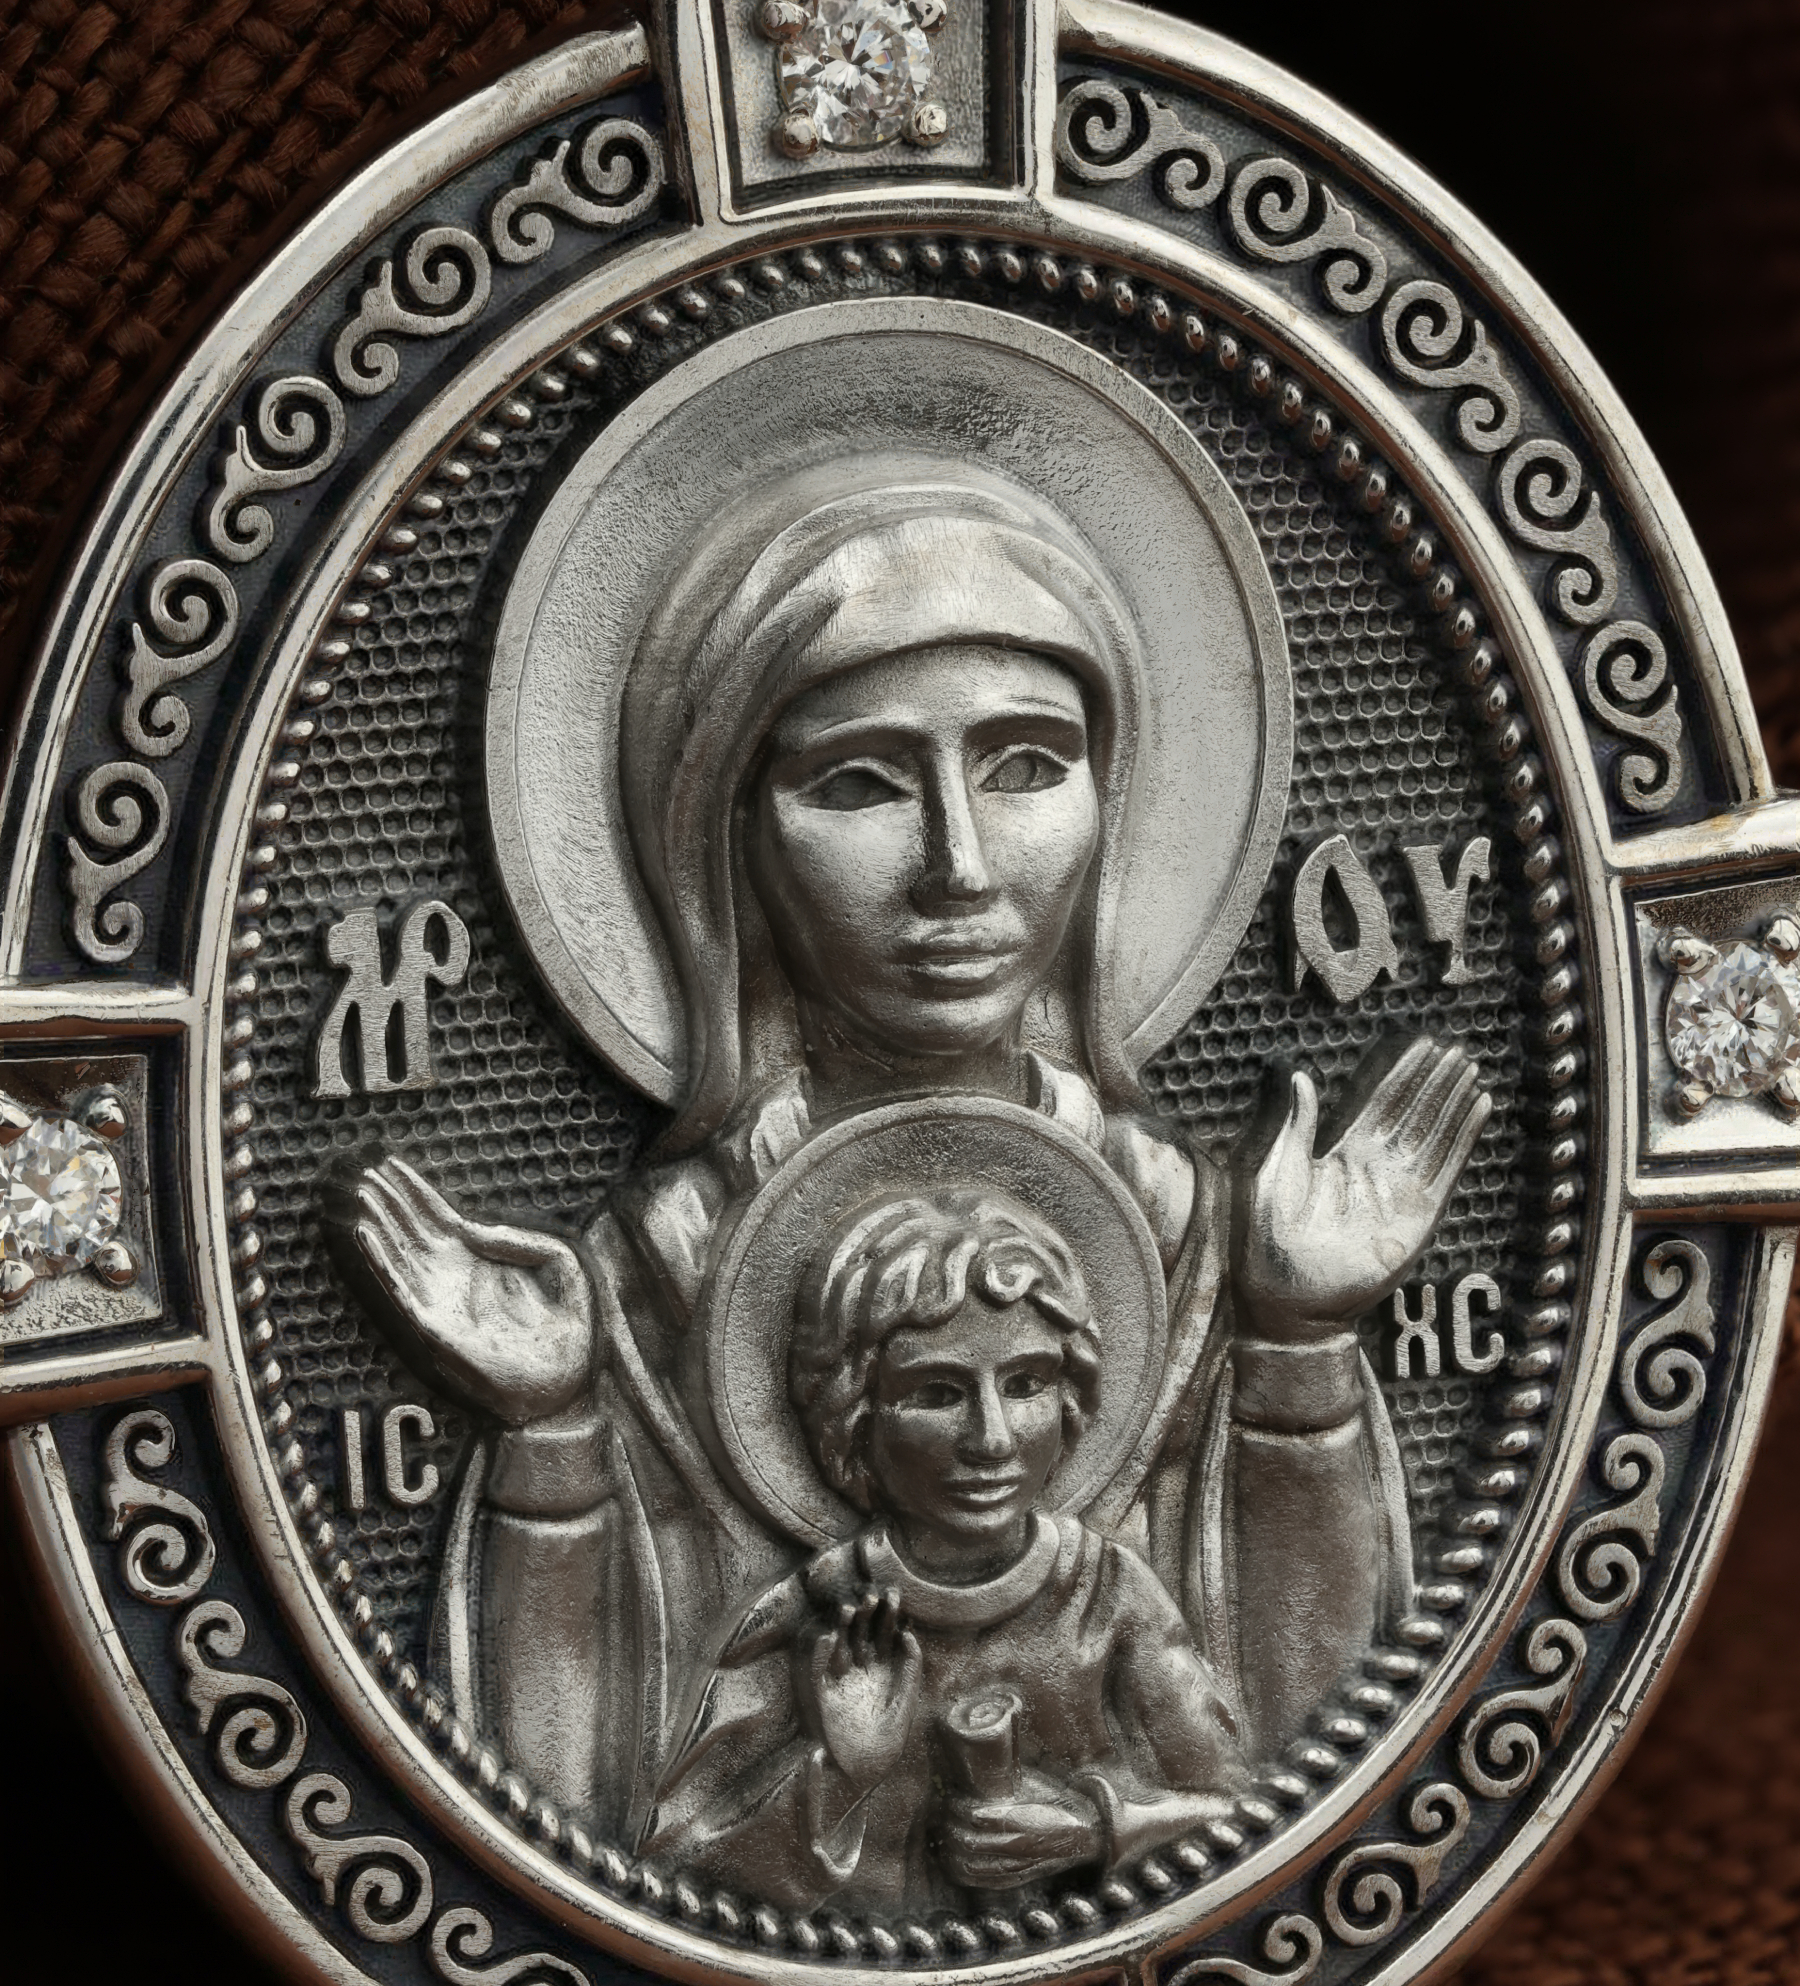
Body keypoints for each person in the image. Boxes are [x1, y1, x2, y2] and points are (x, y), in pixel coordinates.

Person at [338, 460, 1489, 1850]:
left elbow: (1317, 1772)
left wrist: (1304, 1341)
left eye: (1027, 766)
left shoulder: (1189, 1223)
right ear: (728, 838)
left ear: (1111, 799)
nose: (960, 866)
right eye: (862, 782)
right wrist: (550, 1432)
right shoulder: (650, 1270)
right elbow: (566, 1826)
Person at [641, 1189, 1247, 1912]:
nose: (992, 1439)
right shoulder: (814, 1615)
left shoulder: (1109, 1596)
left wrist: (1096, 1831)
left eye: (1025, 1384)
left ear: (1070, 1397)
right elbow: (672, 1881)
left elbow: (1244, 1817)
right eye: (936, 1392)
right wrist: (840, 1773)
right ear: (853, 1415)